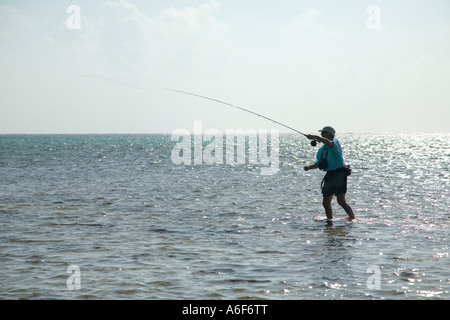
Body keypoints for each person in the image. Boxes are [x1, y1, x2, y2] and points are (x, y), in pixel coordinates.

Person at [303, 126, 355, 222]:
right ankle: (330, 221)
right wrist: (308, 167)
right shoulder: (322, 150)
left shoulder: (335, 143)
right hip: (329, 175)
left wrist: (315, 137)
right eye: (321, 133)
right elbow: (319, 164)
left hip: (339, 173)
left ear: (329, 134)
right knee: (326, 202)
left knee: (341, 201)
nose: (321, 134)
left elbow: (328, 143)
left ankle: (353, 219)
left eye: (323, 133)